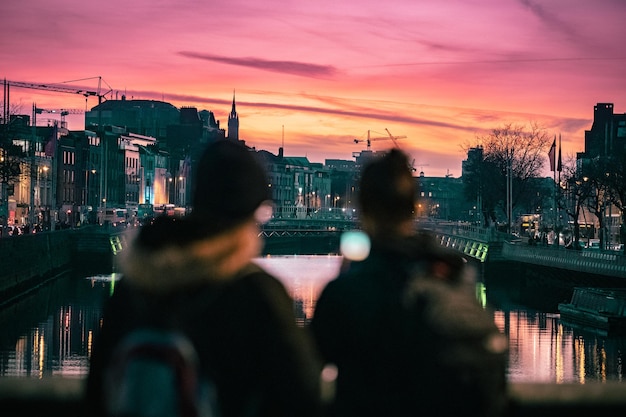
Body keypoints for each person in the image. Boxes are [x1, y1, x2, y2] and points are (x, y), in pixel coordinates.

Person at [86, 140, 322, 417]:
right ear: (249, 215)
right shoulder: (257, 294)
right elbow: (303, 395)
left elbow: (97, 391)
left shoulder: (134, 287)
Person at [309, 148, 508, 417]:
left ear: (364, 211)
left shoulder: (348, 292)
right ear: (412, 208)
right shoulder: (454, 277)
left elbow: (304, 373)